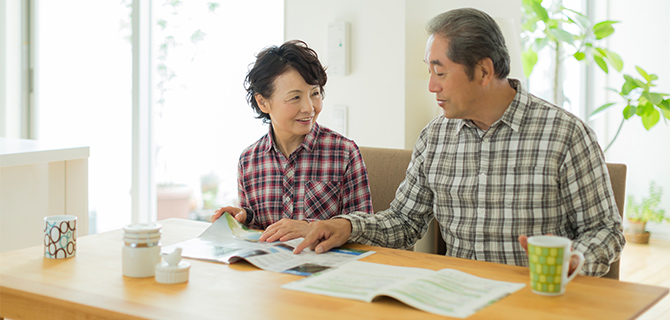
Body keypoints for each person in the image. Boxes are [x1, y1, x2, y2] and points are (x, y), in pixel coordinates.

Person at [293, 8, 625, 277]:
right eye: (429, 72)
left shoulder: (564, 134)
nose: (431, 87)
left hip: (535, 299)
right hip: (458, 296)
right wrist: (346, 226)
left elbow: (605, 230)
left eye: (440, 72)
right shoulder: (435, 137)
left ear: (483, 71)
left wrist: (576, 260)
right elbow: (404, 222)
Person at [211, 40, 373, 242]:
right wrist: (243, 219)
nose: (309, 107)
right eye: (295, 97)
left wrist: (310, 228)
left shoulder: (344, 152)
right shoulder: (249, 160)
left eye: (314, 93)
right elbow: (260, 233)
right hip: (270, 270)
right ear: (263, 102)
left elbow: (365, 230)